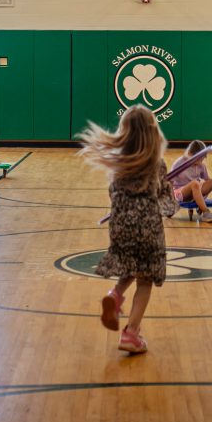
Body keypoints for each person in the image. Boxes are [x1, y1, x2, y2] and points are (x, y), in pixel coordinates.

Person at [78, 105, 176, 355]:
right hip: (148, 228)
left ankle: (115, 294)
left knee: (131, 264)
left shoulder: (118, 164)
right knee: (145, 279)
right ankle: (131, 333)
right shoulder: (157, 163)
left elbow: (113, 193)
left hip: (120, 225)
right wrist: (171, 195)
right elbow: (165, 202)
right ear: (152, 131)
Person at [169, 140, 212, 222]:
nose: (201, 162)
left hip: (196, 190)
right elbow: (170, 182)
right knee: (195, 183)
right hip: (181, 193)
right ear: (190, 154)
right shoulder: (179, 163)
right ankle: (206, 213)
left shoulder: (201, 166)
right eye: (199, 159)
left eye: (202, 159)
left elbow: (209, 181)